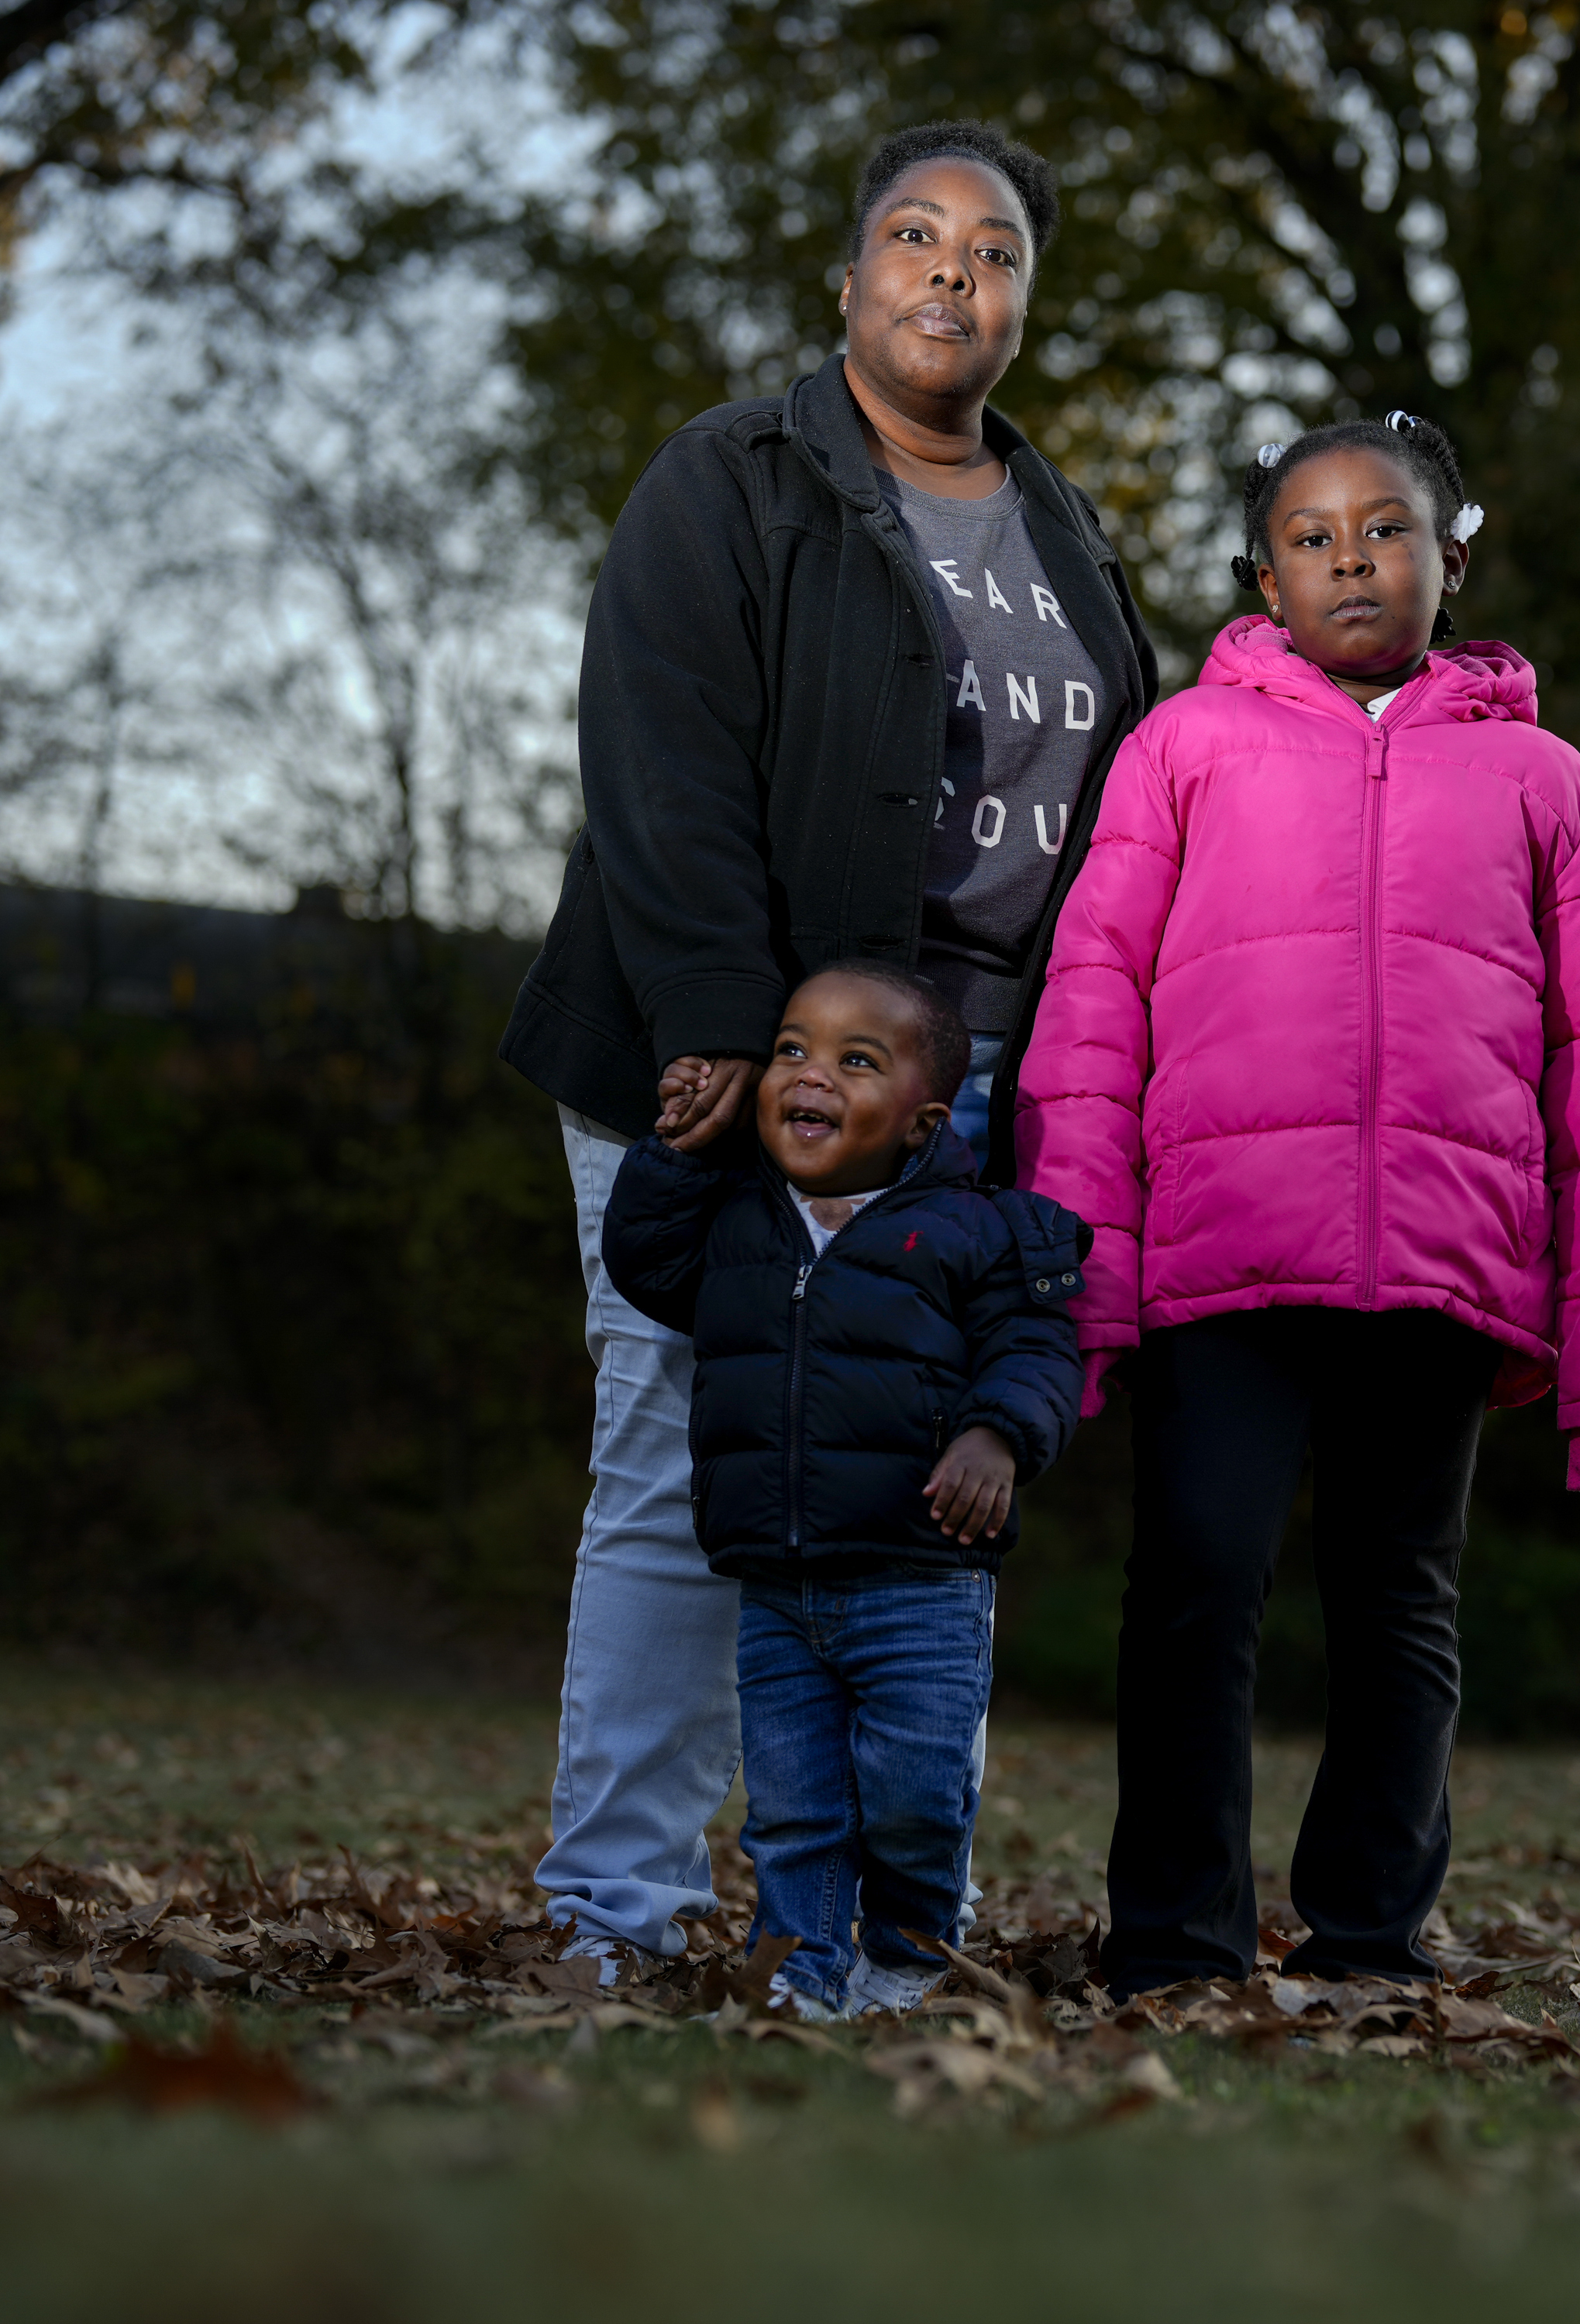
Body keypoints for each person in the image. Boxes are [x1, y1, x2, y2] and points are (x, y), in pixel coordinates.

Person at [498, 119, 1157, 1978]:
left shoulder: (1065, 534)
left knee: (923, 1492)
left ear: (1025, 299)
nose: (956, 271)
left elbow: (1125, 813)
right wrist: (721, 1031)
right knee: (670, 1467)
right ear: (849, 278)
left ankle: (874, 1927)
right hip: (731, 1074)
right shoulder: (731, 480)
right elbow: (662, 768)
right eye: (915, 235)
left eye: (998, 248)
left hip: (967, 1107)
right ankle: (614, 1914)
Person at [1015, 412, 1580, 1996]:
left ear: (1453, 555)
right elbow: (1094, 1005)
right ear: (1263, 575)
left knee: (1398, 1606)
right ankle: (1174, 1935)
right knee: (1196, 1579)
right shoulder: (1183, 747)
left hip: (1443, 1269)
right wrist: (1076, 1265)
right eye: (1309, 537)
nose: (1348, 559)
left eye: (1382, 528)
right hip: (1221, 1259)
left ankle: (1371, 1937)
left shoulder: (1545, 781)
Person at [599, 965, 1089, 2017]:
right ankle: (805, 1968)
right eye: (792, 1049)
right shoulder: (741, 1220)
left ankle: (911, 1952)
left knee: (915, 1794)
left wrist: (997, 1436)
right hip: (779, 1586)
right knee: (793, 1804)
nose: (810, 1075)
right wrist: (675, 1149)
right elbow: (644, 1260)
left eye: (854, 1061)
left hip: (921, 1584)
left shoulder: (979, 1232)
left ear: (919, 1124)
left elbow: (1038, 1353)